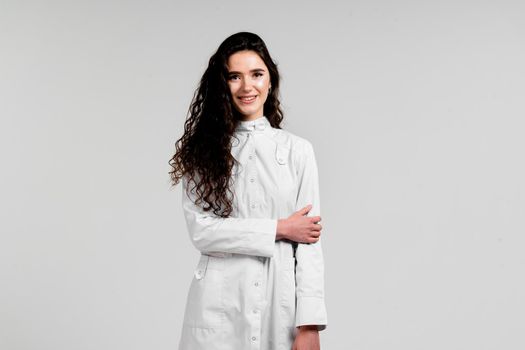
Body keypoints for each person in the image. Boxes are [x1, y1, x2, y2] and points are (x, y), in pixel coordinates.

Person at [168, 31, 327, 350]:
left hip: (278, 300)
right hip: (219, 303)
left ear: (271, 79)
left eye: (256, 74)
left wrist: (309, 325)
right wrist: (281, 229)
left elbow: (309, 242)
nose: (246, 86)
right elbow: (203, 232)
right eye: (234, 77)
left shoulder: (297, 151)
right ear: (222, 86)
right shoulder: (203, 152)